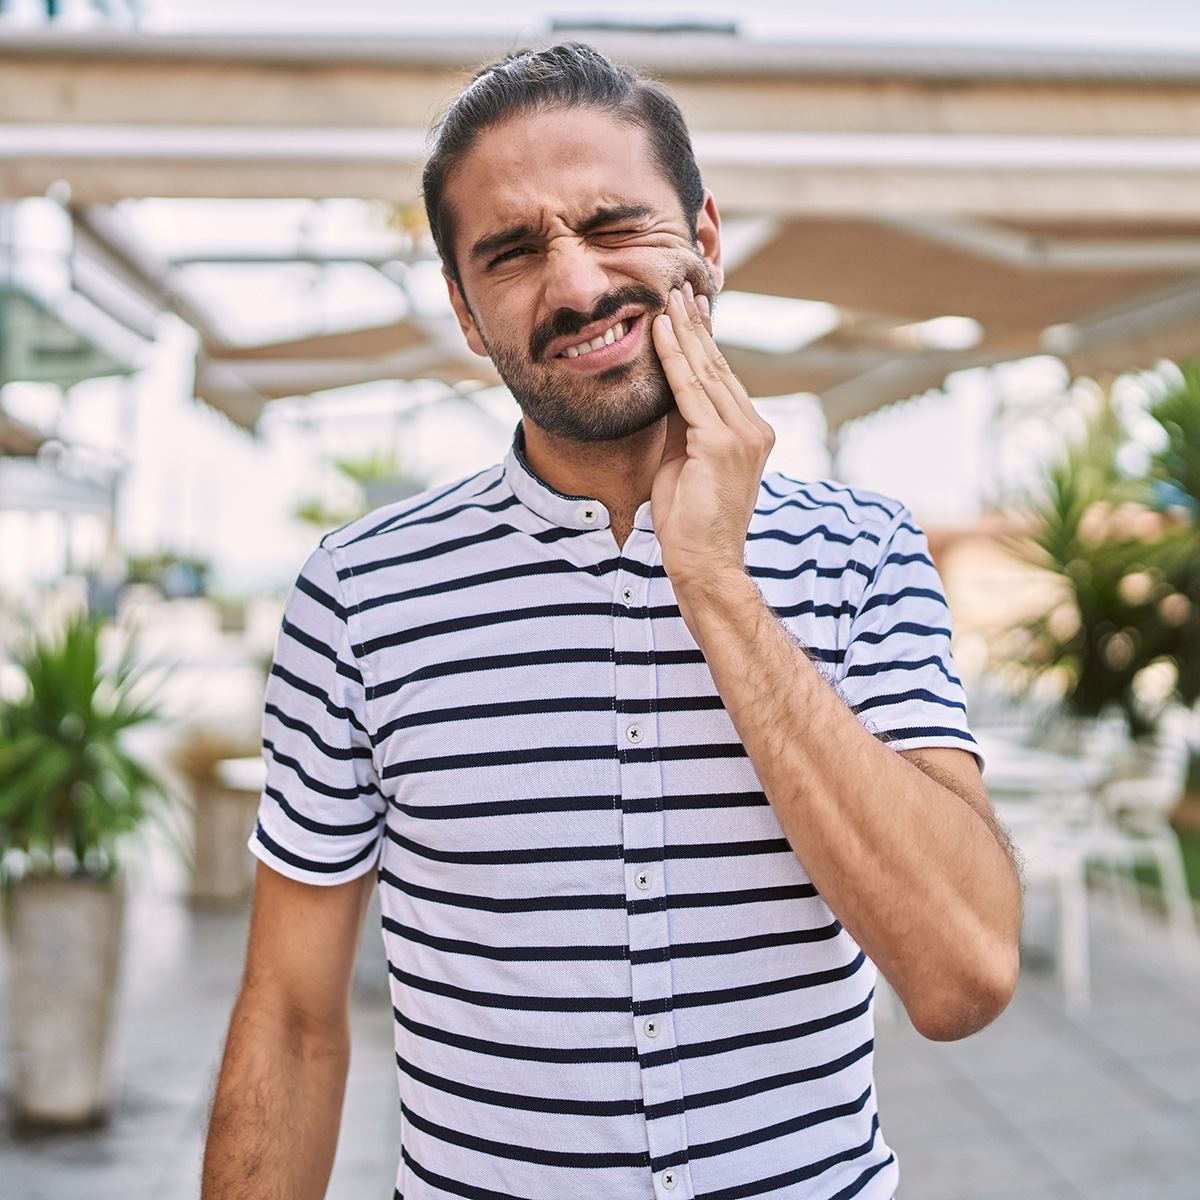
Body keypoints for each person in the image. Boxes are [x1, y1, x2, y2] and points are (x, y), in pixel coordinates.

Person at [201, 42, 1021, 1200]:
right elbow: (289, 1016)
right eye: (514, 251)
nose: (578, 287)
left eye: (614, 225)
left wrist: (717, 585)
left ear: (708, 238)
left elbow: (963, 978)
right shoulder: (359, 592)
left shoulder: (866, 552)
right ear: (465, 311)